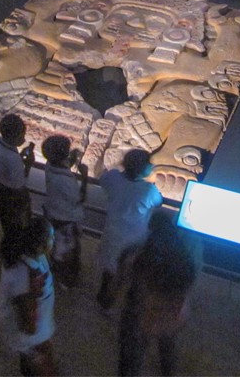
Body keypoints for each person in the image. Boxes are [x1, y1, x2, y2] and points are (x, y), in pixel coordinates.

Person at [118, 211, 197, 376]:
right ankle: (168, 372)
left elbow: (131, 276)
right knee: (167, 345)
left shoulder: (145, 249)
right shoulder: (183, 253)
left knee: (132, 352)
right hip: (171, 311)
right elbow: (189, 282)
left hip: (144, 309)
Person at [96, 149, 163, 310]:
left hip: (112, 232)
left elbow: (102, 178)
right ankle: (112, 300)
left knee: (109, 266)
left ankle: (103, 296)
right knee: (125, 270)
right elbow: (158, 202)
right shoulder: (148, 190)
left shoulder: (112, 177)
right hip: (134, 239)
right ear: (143, 168)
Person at [0, 216, 57, 376]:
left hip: (36, 327)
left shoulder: (33, 255)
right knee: (44, 367)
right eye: (51, 237)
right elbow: (27, 322)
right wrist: (37, 343)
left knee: (34, 361)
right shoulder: (24, 275)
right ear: (39, 245)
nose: (54, 240)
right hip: (30, 334)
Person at [41, 134, 87, 289]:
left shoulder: (49, 165)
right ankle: (66, 280)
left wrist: (72, 159)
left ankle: (57, 269)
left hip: (52, 214)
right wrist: (85, 177)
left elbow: (62, 163)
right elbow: (80, 198)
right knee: (67, 251)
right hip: (66, 221)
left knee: (55, 247)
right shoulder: (67, 181)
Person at [0, 114, 35, 241]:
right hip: (14, 196)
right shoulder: (13, 159)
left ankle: (9, 242)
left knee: (6, 222)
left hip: (0, 190)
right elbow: (19, 183)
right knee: (19, 224)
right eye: (21, 135)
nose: (24, 138)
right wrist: (28, 165)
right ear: (13, 136)